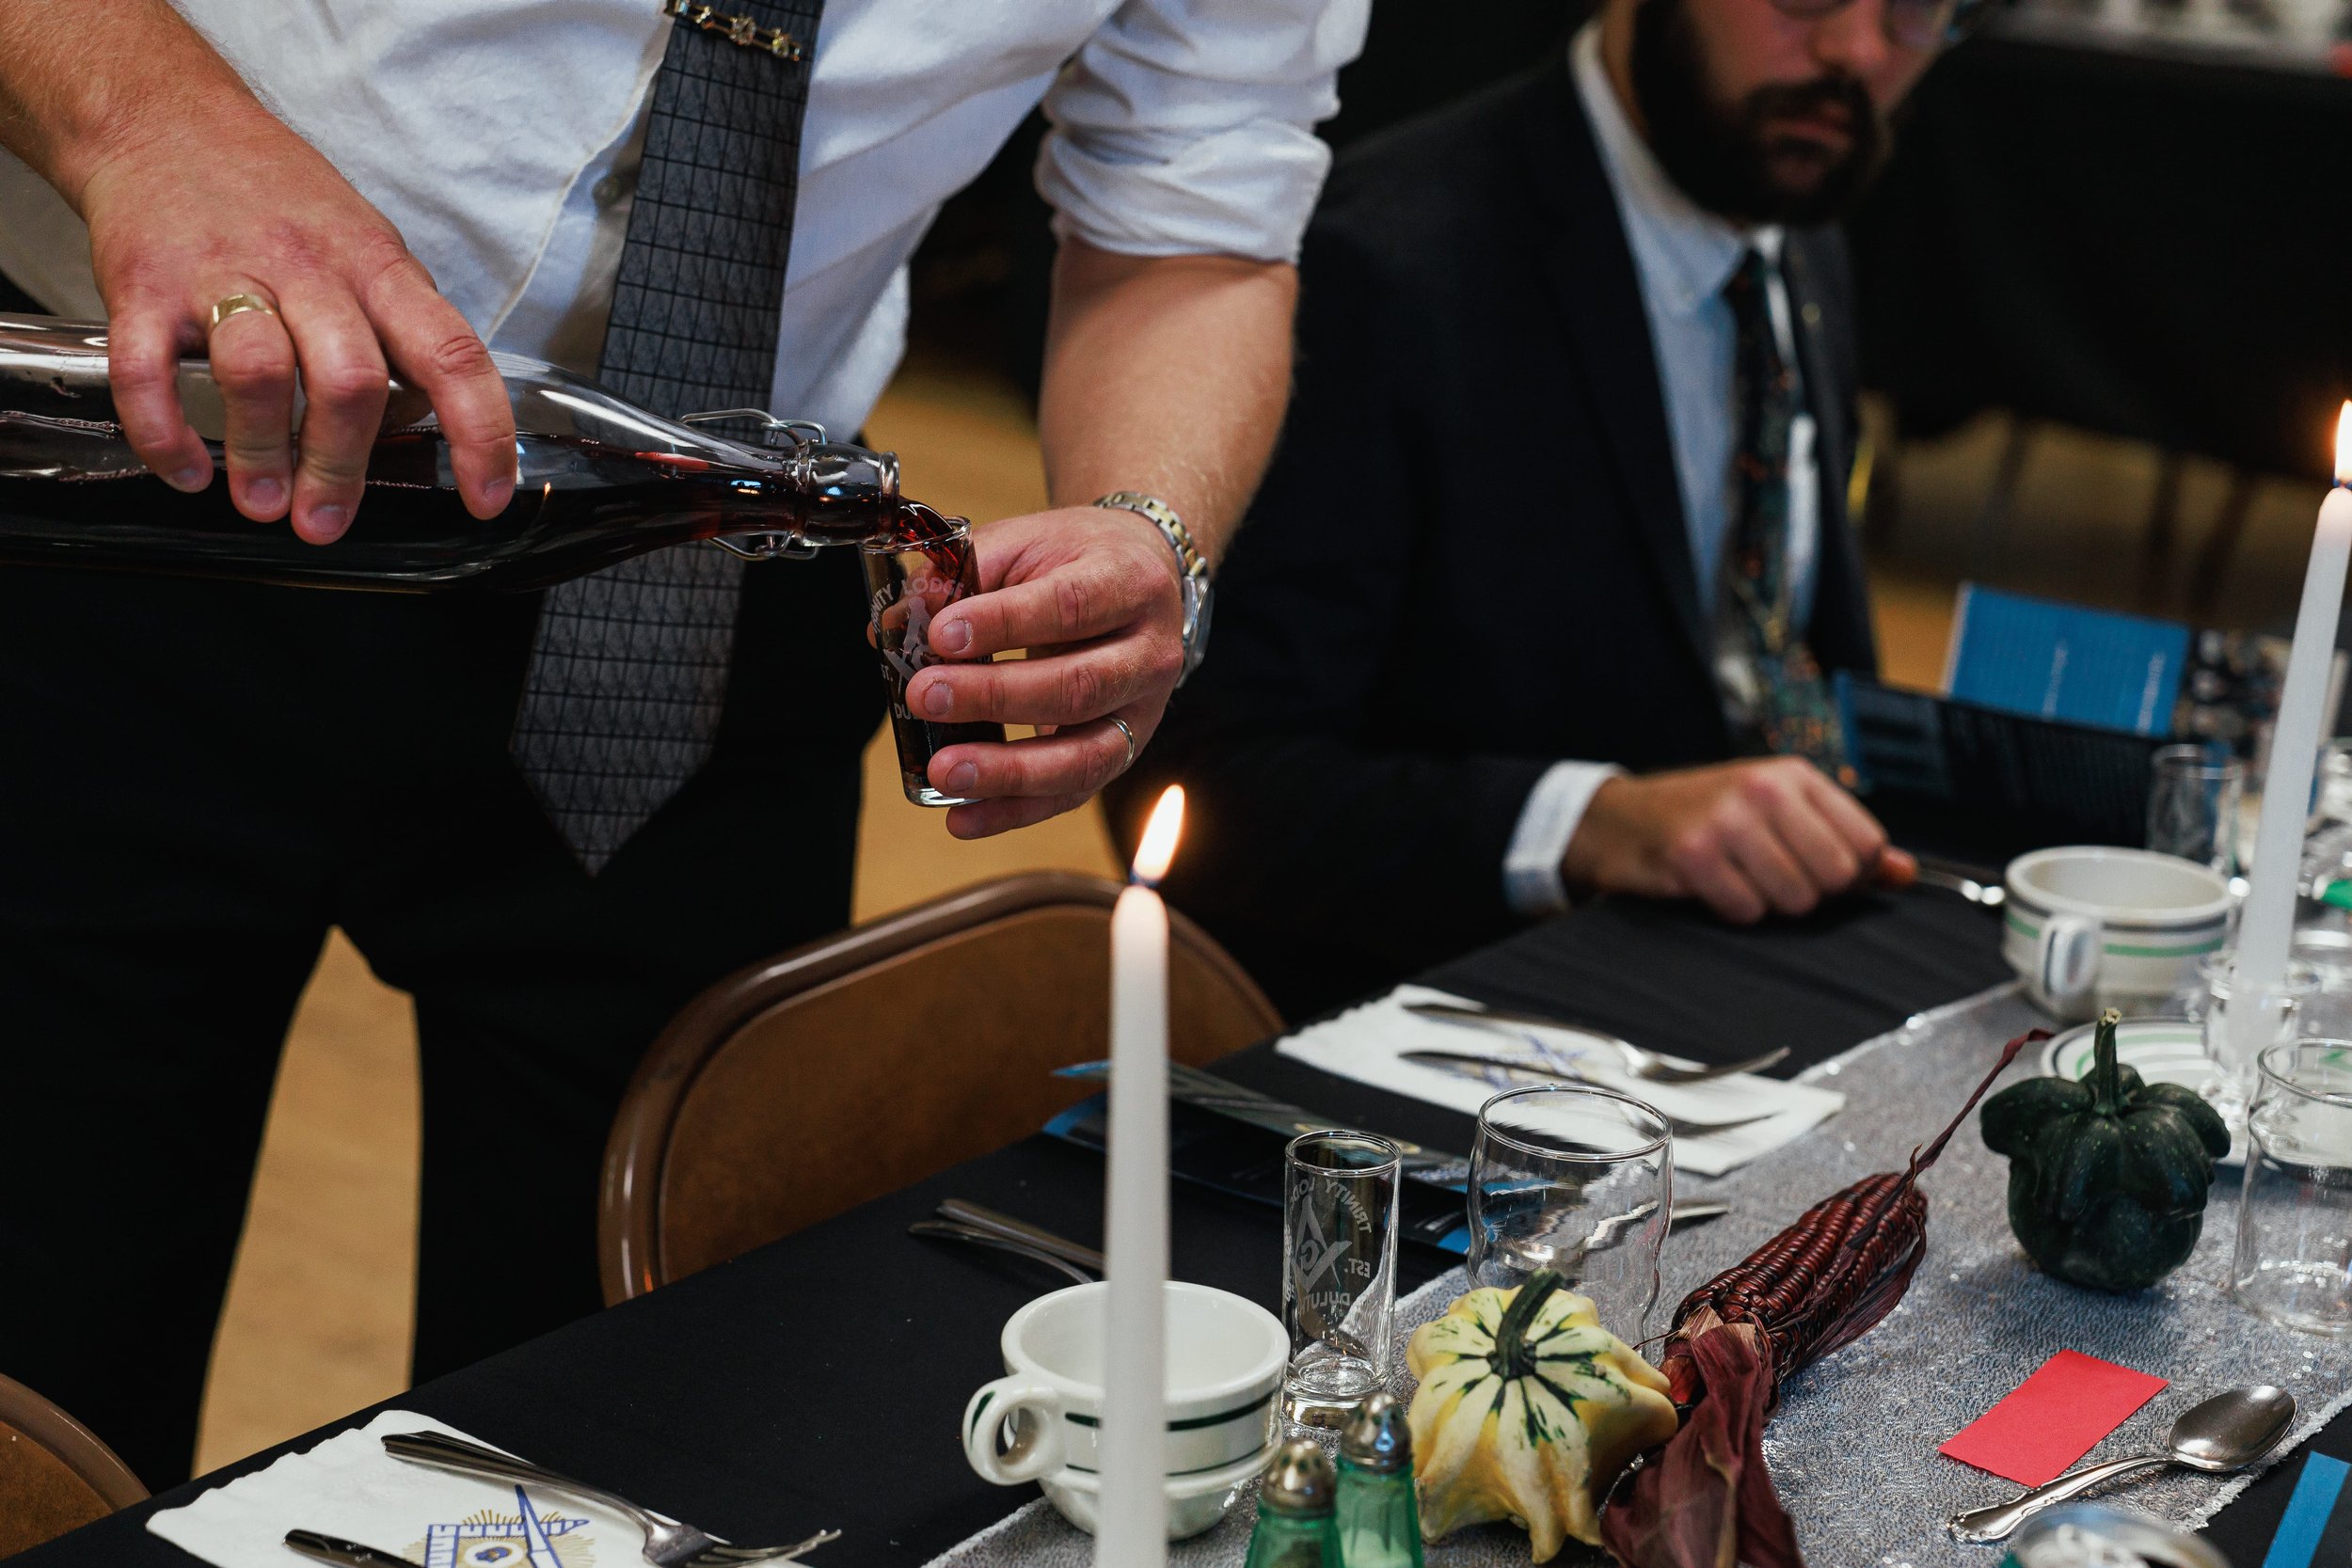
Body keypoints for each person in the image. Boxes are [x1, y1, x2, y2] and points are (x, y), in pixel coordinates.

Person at [0, 0, 1365, 1484]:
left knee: (608, 1432)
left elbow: (1195, 195)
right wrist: (137, 111)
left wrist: (1150, 520)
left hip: (697, 598)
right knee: (41, 1369)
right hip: (139, 476)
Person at [1110, 0, 1974, 1017]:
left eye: (1917, 11)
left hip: (1749, 971)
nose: (1857, 52)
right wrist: (1588, 822)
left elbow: (1776, 656)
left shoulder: (1787, 216)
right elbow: (1205, 790)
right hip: (1468, 1027)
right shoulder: (1380, 266)